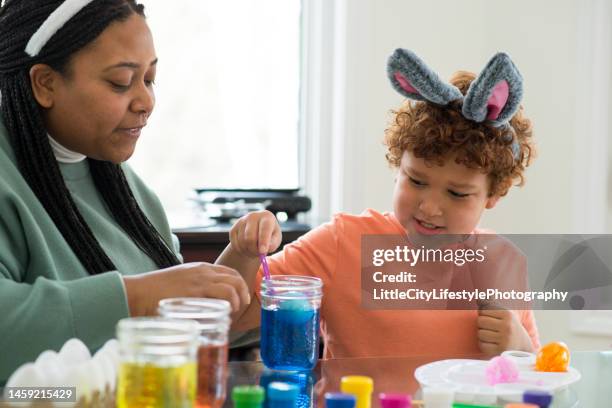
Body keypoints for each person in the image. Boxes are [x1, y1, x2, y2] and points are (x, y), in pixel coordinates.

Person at [220, 49, 540, 359]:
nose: (429, 207)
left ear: (494, 194)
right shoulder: (341, 243)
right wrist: (243, 252)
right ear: (397, 166)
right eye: (416, 181)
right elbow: (229, 320)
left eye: (457, 194)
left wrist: (522, 350)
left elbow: (543, 379)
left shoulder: (506, 263)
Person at [0, 0, 249, 382]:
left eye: (149, 79)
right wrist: (138, 297)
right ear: (45, 83)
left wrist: (240, 263)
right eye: (120, 82)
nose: (146, 102)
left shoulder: (131, 193)